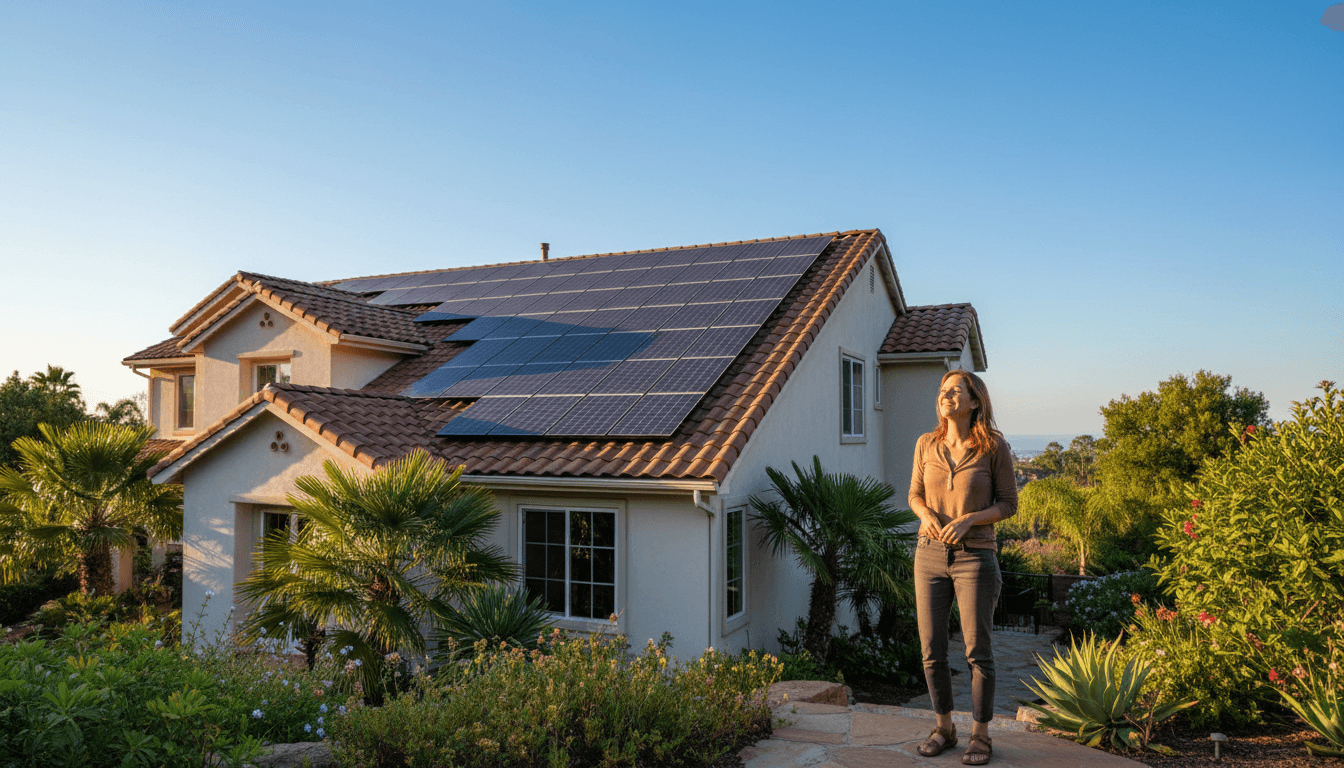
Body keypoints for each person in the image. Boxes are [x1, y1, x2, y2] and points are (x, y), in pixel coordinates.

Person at [908, 369, 1018, 766]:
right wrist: (924, 514)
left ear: (975, 402)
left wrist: (970, 519)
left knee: (977, 651)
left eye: (955, 391)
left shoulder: (993, 448)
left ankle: (981, 735)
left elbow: (1008, 504)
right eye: (943, 390)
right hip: (929, 555)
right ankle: (944, 728)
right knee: (932, 649)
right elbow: (914, 495)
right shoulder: (926, 444)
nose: (946, 395)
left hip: (976, 557)